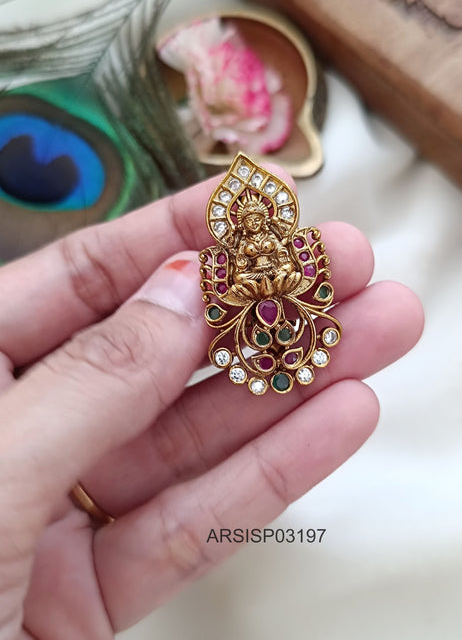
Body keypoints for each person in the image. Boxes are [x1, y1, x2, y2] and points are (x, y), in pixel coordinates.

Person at [0, 165, 423, 638]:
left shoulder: (278, 247)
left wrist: (275, 274)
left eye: (262, 222)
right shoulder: (228, 260)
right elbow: (229, 289)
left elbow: (295, 269)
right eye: (248, 223)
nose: (257, 229)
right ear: (236, 225)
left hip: (285, 299)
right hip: (251, 304)